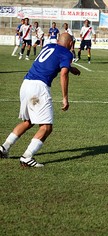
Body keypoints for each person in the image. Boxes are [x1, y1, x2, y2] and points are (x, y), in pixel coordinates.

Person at [0, 33, 81, 167]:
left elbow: (52, 61)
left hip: (26, 84)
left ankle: (4, 148)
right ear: (71, 44)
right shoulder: (67, 53)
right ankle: (27, 157)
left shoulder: (49, 46)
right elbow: (63, 74)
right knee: (46, 127)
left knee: (29, 122)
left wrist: (71, 68)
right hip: (38, 88)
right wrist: (65, 98)